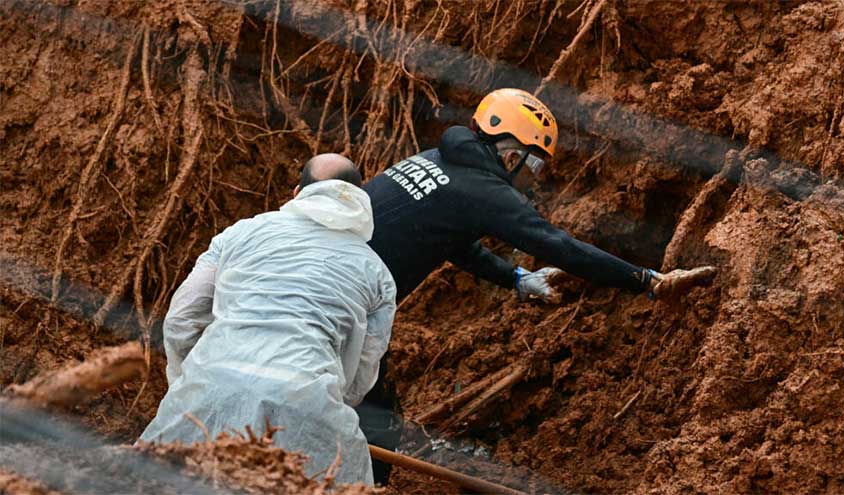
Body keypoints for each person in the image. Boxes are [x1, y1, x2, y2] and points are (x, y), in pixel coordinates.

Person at [359, 88, 717, 481]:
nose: (533, 178)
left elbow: (449, 241)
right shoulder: (485, 190)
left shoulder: (434, 159)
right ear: (513, 154)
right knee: (371, 419)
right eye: (535, 165)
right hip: (344, 306)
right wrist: (646, 280)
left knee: (367, 406)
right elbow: (560, 246)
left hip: (312, 278)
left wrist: (517, 277)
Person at [139, 154, 397, 485]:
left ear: (296, 193)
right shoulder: (377, 274)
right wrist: (325, 402)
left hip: (213, 382)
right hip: (307, 404)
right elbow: (362, 373)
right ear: (360, 201)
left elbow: (182, 318)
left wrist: (191, 383)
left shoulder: (239, 234)